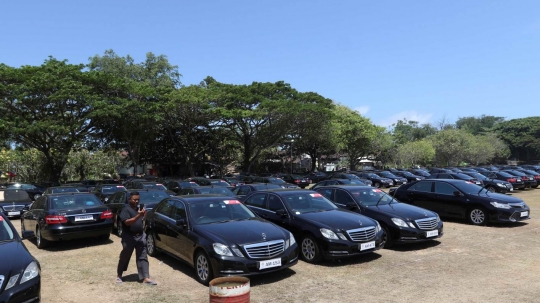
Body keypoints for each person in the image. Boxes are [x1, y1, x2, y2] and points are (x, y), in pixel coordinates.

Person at [116, 191, 157, 285]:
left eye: (138, 199)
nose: (136, 201)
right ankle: (119, 276)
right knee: (125, 257)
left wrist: (143, 215)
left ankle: (145, 278)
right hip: (129, 237)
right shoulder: (125, 210)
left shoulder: (139, 209)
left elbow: (141, 221)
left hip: (140, 236)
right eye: (134, 199)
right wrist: (139, 215)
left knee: (143, 257)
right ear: (129, 199)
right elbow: (127, 222)